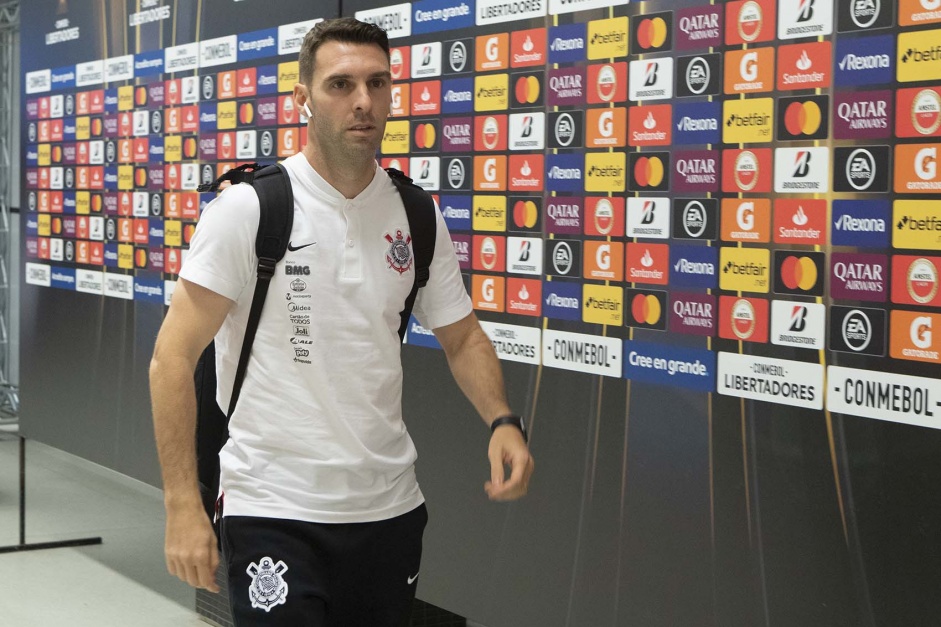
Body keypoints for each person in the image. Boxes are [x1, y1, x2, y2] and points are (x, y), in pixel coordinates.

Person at [149, 17, 534, 627]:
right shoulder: (248, 209)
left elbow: (460, 335)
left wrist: (502, 419)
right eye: (340, 84)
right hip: (272, 507)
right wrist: (180, 504)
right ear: (301, 98)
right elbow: (172, 357)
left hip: (390, 508)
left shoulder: (414, 212)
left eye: (377, 84)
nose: (363, 102)